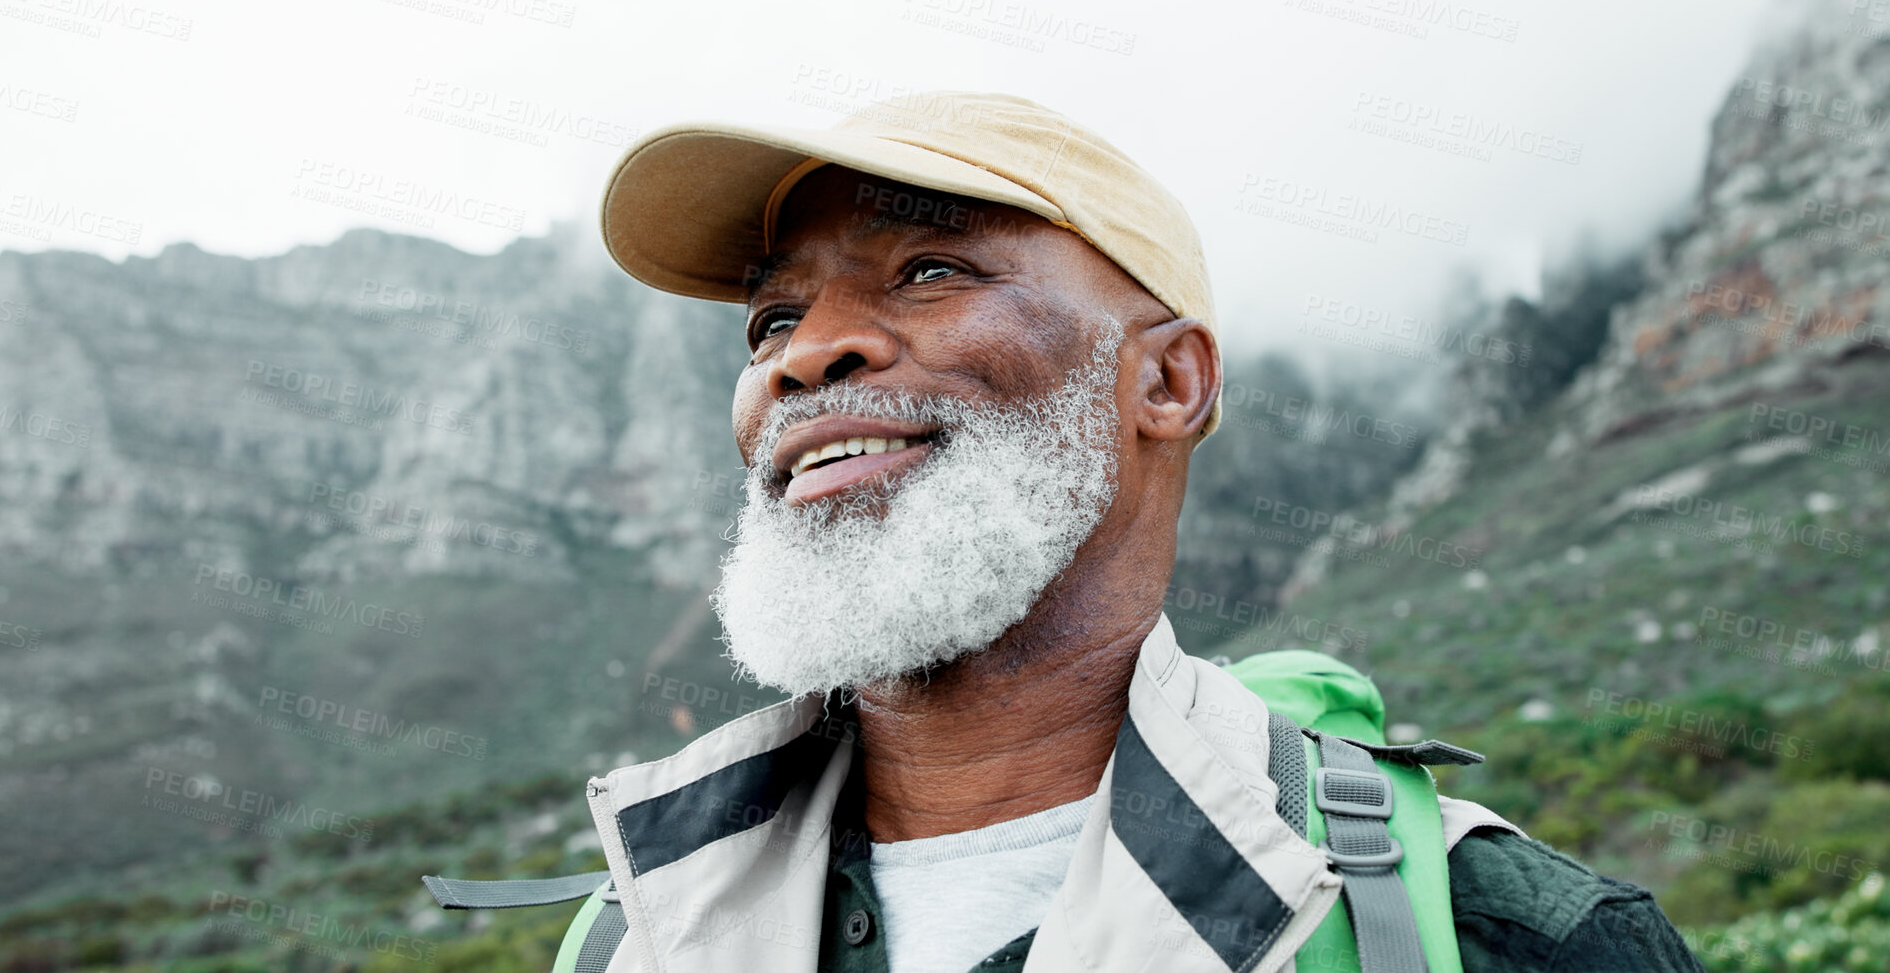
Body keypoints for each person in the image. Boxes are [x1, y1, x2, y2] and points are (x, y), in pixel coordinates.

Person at [580, 91, 1700, 972]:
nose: (805, 353)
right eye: (773, 318)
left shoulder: (1514, 936)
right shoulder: (634, 931)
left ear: (1168, 380)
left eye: (929, 269)